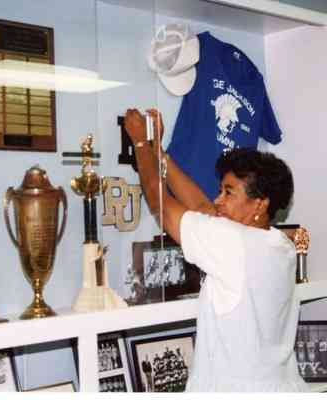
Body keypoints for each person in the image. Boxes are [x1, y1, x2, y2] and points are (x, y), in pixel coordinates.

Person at [124, 108, 308, 392]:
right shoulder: (279, 245)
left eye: (228, 192)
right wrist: (158, 151)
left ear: (260, 204)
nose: (218, 200)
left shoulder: (232, 242)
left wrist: (139, 143)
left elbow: (158, 200)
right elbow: (203, 208)